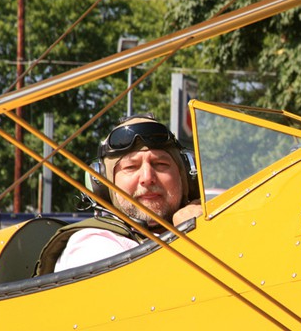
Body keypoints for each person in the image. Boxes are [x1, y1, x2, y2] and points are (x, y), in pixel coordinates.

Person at [35, 114, 203, 275]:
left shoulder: (201, 220)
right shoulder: (93, 244)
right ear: (102, 184)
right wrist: (193, 237)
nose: (147, 178)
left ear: (186, 176)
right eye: (131, 167)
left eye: (160, 164)